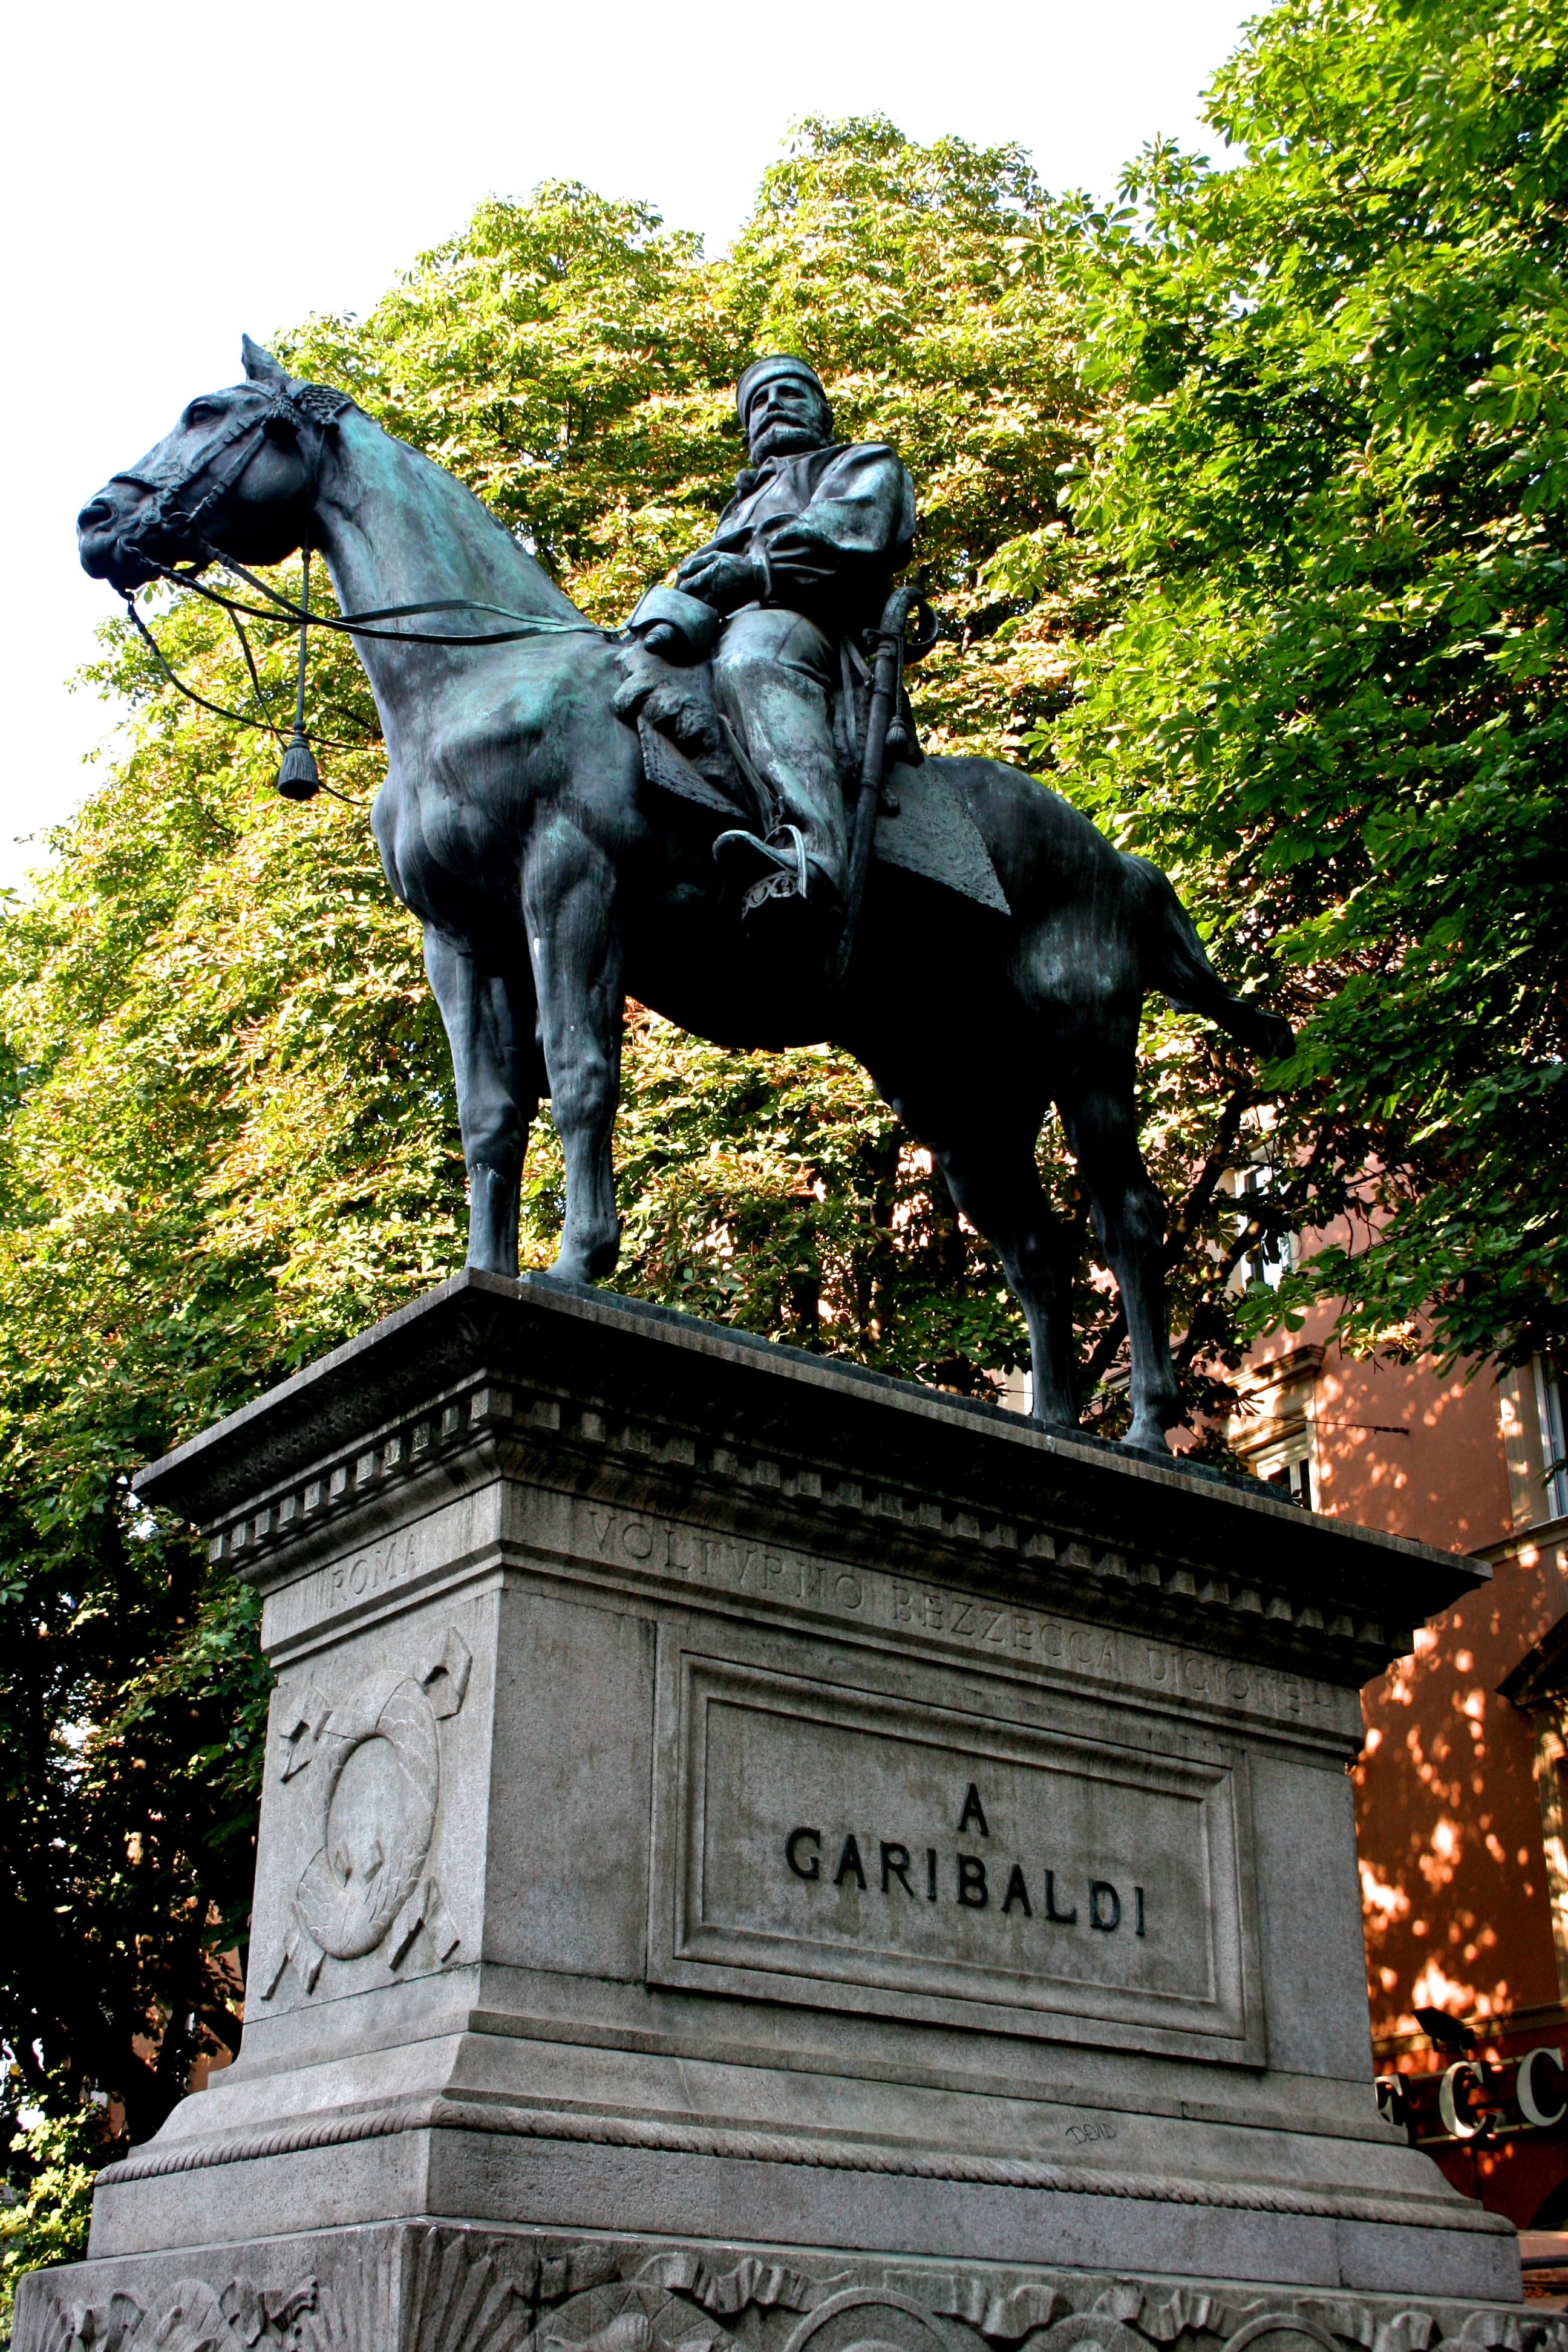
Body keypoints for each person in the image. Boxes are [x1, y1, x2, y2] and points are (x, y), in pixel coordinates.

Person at [627, 355, 916, 945]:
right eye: (758, 402)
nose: (773, 405)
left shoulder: (859, 462)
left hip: (815, 631)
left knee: (754, 656)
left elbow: (848, 533)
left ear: (823, 411)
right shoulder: (737, 507)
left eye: (791, 393)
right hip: (721, 630)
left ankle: (811, 856)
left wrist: (757, 571)